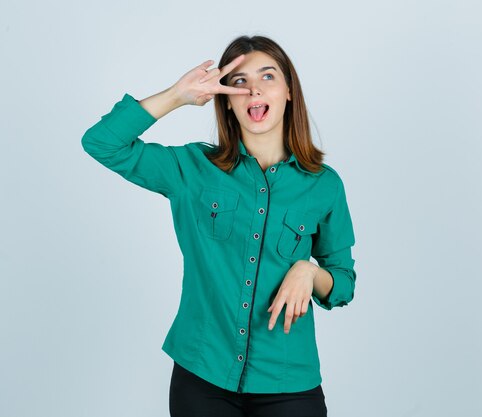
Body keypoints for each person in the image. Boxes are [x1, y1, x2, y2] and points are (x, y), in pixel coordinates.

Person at [81, 34, 357, 417]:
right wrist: (177, 95)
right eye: (239, 82)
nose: (254, 89)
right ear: (227, 99)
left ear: (289, 91)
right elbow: (102, 143)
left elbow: (343, 281)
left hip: (288, 381)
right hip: (202, 376)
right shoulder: (192, 169)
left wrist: (309, 272)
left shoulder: (324, 185)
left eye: (267, 76)